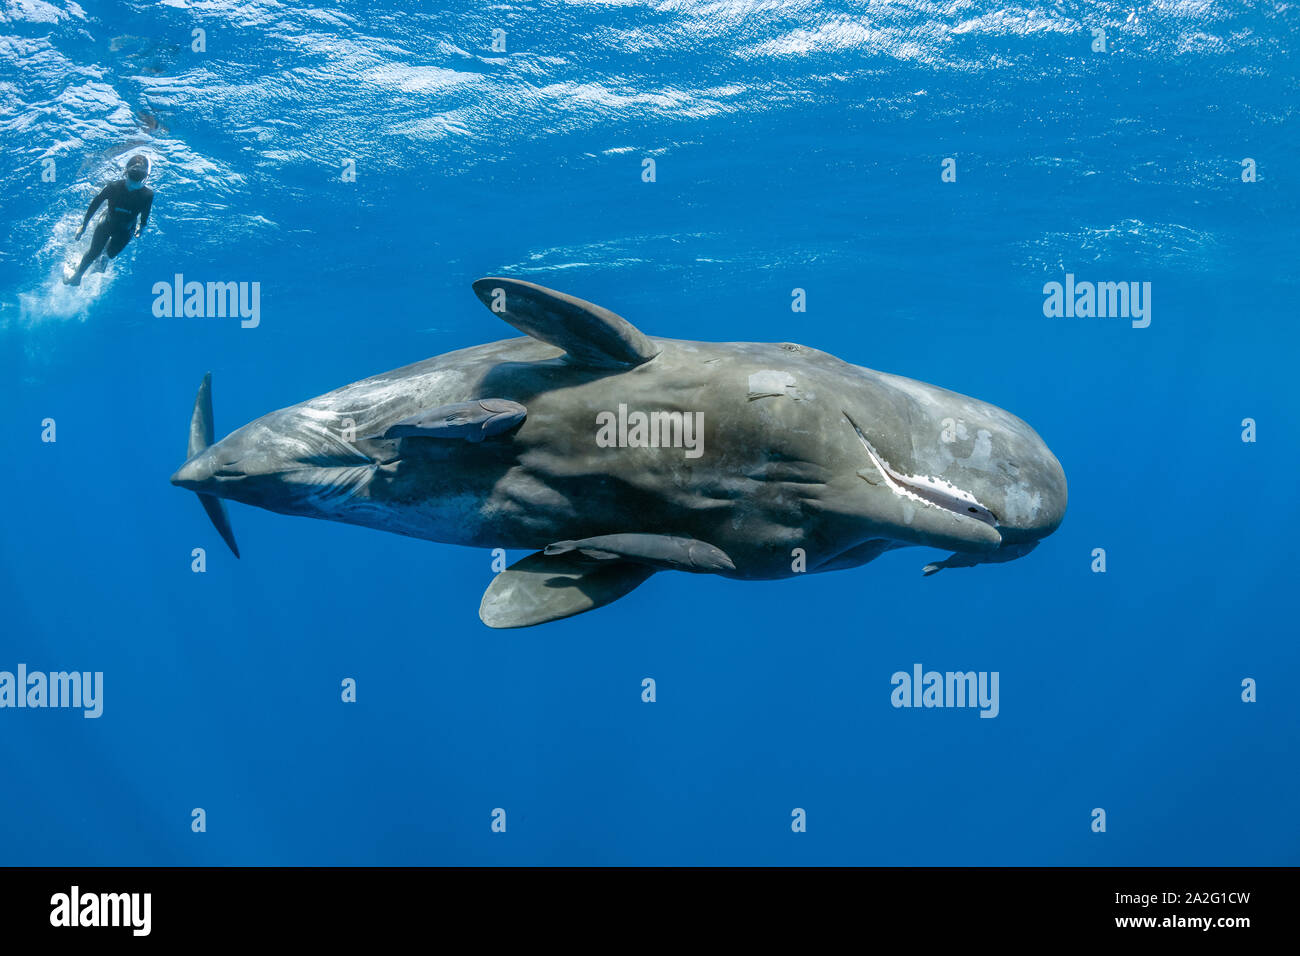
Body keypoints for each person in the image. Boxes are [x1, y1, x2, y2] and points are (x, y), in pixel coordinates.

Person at [64, 154, 153, 286]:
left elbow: (145, 212)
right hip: (106, 223)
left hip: (126, 231)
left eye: (139, 180)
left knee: (107, 256)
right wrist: (84, 225)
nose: (134, 184)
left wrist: (142, 226)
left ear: (145, 178)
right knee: (94, 252)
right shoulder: (113, 187)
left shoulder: (147, 195)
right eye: (132, 177)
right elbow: (95, 204)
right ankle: (77, 276)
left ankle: (93, 271)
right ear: (125, 172)